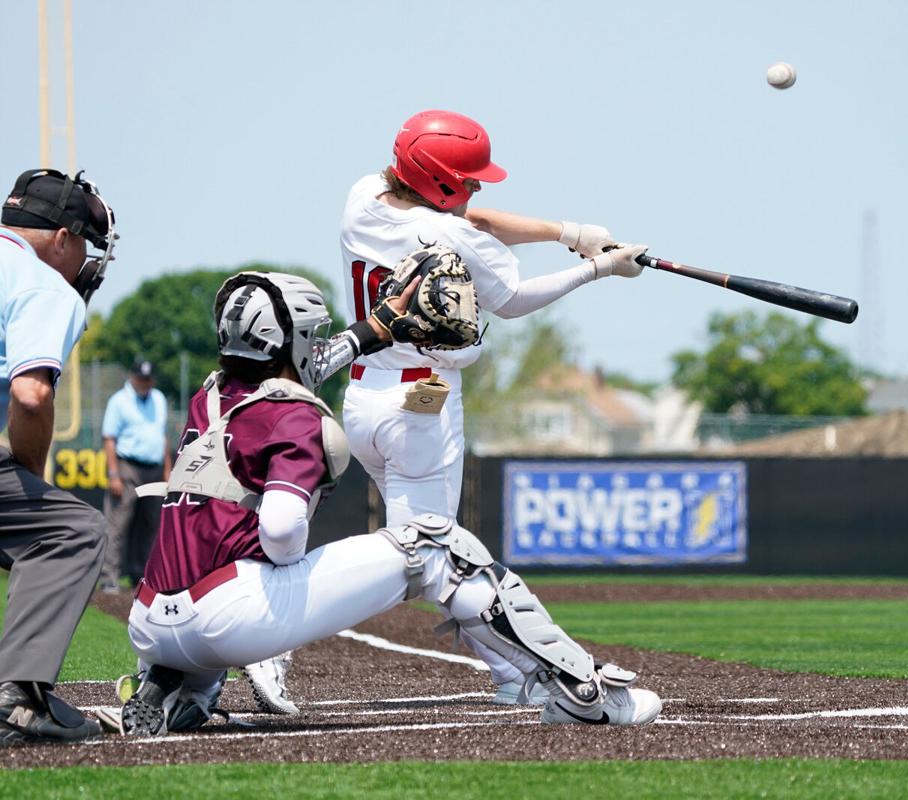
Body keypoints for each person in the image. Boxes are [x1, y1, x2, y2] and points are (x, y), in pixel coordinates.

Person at [115, 271, 660, 735]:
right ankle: (581, 693)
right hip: (229, 620)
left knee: (220, 562)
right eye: (310, 335)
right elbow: (281, 534)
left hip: (151, 623)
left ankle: (179, 689)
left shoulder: (207, 397)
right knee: (438, 544)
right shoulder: (294, 416)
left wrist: (374, 328)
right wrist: (281, 573)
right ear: (290, 344)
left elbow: (295, 370)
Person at [334, 109, 647, 706]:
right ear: (440, 181)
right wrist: (597, 268)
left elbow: (465, 215)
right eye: (468, 177)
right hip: (421, 407)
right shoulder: (455, 238)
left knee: (429, 552)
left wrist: (568, 231)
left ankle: (509, 672)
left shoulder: (365, 196)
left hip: (363, 398)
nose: (477, 187)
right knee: (433, 556)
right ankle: (276, 640)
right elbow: (511, 300)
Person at [0, 168, 117, 745]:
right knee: (70, 529)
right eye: (87, 248)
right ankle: (18, 698)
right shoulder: (41, 282)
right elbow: (31, 393)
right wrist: (28, 480)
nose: (88, 263)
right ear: (64, 239)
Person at [99, 359, 172, 593]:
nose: (145, 383)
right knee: (118, 522)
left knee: (151, 524)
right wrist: (113, 474)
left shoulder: (159, 398)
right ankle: (109, 576)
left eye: (148, 379)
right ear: (133, 377)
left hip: (154, 467)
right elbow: (109, 438)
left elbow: (163, 436)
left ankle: (141, 575)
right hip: (127, 466)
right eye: (141, 378)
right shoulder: (119, 401)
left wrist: (167, 469)